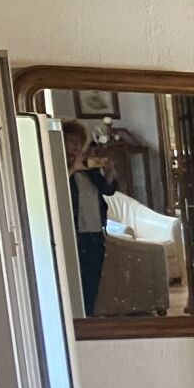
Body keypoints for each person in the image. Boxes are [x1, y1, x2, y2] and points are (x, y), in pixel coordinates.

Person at [61, 120, 116, 315]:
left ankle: (88, 316)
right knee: (75, 279)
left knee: (93, 280)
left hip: (94, 231)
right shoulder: (56, 166)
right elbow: (56, 191)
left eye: (79, 142)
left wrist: (109, 173)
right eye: (71, 141)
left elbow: (108, 190)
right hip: (73, 233)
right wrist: (72, 170)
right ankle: (76, 316)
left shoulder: (89, 168)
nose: (76, 147)